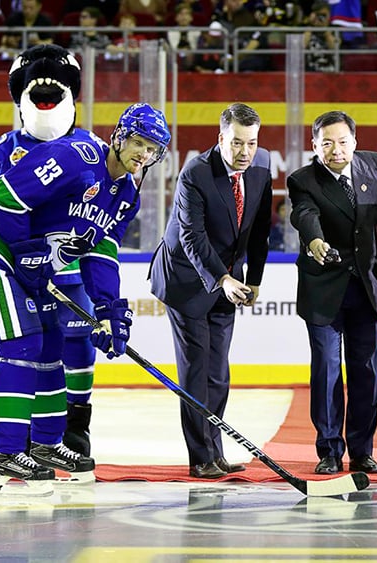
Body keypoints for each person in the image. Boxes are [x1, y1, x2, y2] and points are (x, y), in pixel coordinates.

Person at [0, 102, 170, 496]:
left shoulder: (125, 195)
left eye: (153, 149)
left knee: (53, 346)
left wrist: (108, 309)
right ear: (120, 136)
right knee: (23, 345)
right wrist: (24, 250)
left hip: (29, 263)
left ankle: (48, 444)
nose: (144, 154)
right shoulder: (74, 158)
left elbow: (100, 250)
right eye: (139, 142)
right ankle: (4, 453)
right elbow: (3, 196)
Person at [0, 44, 104, 458]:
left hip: (69, 269)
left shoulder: (92, 147)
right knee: (33, 349)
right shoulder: (0, 152)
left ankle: (77, 419)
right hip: (22, 273)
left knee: (78, 343)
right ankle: (34, 433)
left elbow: (100, 216)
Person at [149, 103, 272, 479]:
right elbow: (192, 237)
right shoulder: (195, 173)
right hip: (187, 280)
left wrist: (254, 280)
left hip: (230, 281)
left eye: (251, 143)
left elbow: (260, 231)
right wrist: (222, 279)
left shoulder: (262, 167)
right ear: (221, 138)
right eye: (236, 143)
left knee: (218, 372)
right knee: (197, 369)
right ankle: (201, 456)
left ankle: (215, 451)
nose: (244, 152)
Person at [287, 110, 377, 475]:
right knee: (327, 370)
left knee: (365, 371)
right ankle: (329, 450)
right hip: (324, 288)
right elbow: (304, 214)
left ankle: (363, 450)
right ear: (314, 146)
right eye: (326, 144)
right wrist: (315, 239)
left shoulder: (376, 167)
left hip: (367, 287)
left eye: (342, 142)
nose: (336, 150)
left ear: (355, 141)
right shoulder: (302, 180)